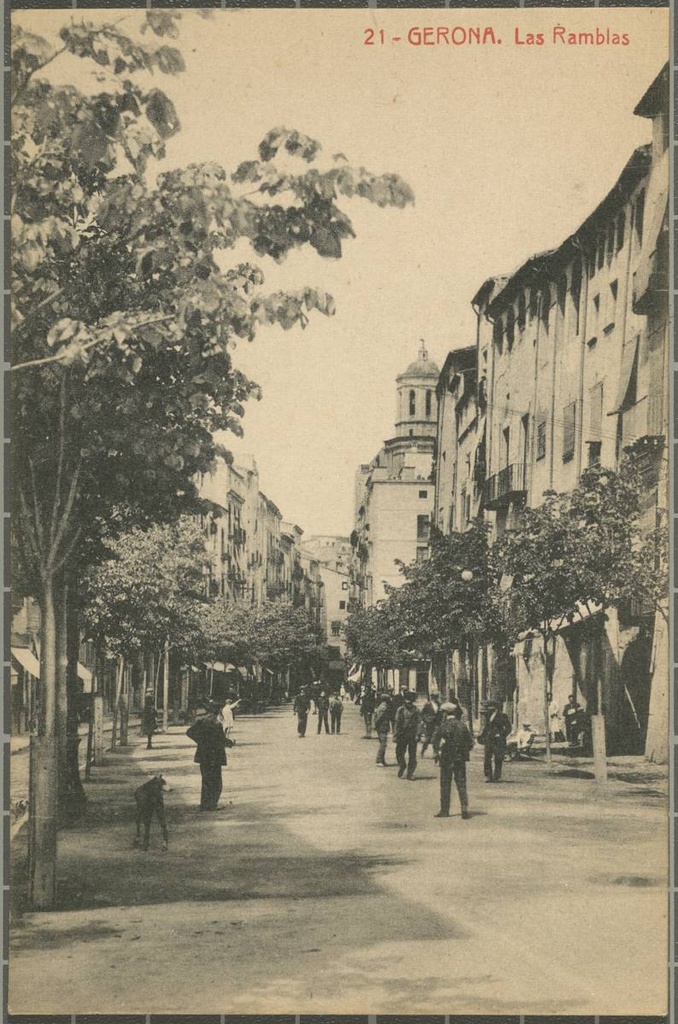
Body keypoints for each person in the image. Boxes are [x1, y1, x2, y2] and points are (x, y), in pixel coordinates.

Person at [186, 701, 232, 811]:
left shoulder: (202, 721)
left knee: (206, 780)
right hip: (214, 756)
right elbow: (221, 739)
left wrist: (201, 742)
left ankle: (204, 804)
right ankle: (212, 805)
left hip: (203, 755)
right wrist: (230, 743)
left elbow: (189, 732)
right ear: (217, 710)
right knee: (216, 782)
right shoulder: (216, 723)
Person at [432, 701, 474, 818]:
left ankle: (444, 811)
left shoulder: (443, 726)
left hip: (446, 759)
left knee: (445, 784)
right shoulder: (462, 726)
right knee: (461, 784)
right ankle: (464, 809)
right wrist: (463, 751)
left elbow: (435, 741)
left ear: (445, 714)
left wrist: (438, 751)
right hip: (459, 759)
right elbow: (470, 742)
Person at [479, 700, 512, 782]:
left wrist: (501, 734)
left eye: (489, 707)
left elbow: (508, 728)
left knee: (498, 758)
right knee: (487, 758)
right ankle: (488, 776)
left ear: (495, 708)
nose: (487, 709)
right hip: (489, 740)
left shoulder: (503, 716)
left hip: (498, 741)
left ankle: (497, 776)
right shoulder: (488, 716)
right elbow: (487, 728)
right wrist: (482, 736)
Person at [393, 691, 421, 779]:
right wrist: (395, 735)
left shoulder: (416, 710)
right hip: (402, 734)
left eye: (410, 701)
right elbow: (397, 723)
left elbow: (419, 723)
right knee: (399, 753)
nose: (408, 703)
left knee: (412, 755)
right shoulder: (400, 710)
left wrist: (418, 734)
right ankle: (402, 766)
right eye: (406, 701)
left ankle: (410, 773)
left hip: (412, 734)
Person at [420, 692, 442, 758]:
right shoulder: (427, 704)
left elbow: (440, 713)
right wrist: (426, 720)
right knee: (428, 739)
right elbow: (422, 714)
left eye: (436, 697)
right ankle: (423, 751)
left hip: (437, 723)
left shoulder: (439, 704)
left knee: (436, 738)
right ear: (431, 698)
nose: (435, 699)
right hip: (429, 723)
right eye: (434, 697)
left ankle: (435, 753)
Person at [373, 694, 392, 766]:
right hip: (382, 727)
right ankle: (379, 760)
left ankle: (382, 760)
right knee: (383, 744)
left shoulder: (381, 706)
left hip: (382, 727)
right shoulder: (383, 707)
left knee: (383, 743)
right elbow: (379, 718)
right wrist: (376, 726)